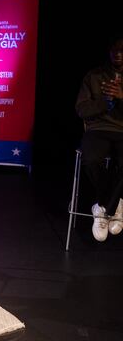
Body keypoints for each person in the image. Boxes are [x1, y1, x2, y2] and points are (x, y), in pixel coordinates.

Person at [76, 36, 123, 242]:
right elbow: (81, 109)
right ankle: (112, 205)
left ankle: (103, 207)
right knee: (90, 159)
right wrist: (105, 103)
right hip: (98, 128)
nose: (118, 53)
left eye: (122, 50)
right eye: (114, 49)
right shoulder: (94, 76)